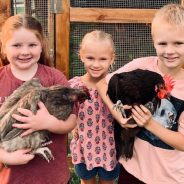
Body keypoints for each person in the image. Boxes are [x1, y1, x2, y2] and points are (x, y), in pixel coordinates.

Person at [96, 4, 184, 184]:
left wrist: (149, 124)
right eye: (162, 43)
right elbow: (101, 83)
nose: (169, 51)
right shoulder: (141, 65)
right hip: (132, 169)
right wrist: (117, 113)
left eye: (178, 43)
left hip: (168, 178)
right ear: (153, 42)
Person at [0, 14, 77, 184]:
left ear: (41, 45)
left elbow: (72, 120)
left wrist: (48, 123)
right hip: (11, 178)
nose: (25, 51)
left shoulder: (55, 78)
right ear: (4, 47)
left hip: (51, 177)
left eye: (32, 45)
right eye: (17, 45)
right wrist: (4, 156)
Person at [69, 30, 120, 184]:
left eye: (103, 59)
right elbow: (68, 112)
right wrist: (73, 127)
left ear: (112, 59)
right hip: (84, 146)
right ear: (81, 55)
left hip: (110, 147)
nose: (96, 64)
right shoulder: (74, 85)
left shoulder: (116, 85)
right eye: (90, 58)